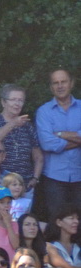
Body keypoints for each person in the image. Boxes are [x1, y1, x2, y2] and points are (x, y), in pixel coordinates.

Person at [34, 67, 81, 223]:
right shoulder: (44, 112)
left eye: (63, 82)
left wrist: (60, 134)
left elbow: (54, 140)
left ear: (71, 83)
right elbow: (47, 143)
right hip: (54, 178)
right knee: (56, 223)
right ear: (51, 87)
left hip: (79, 174)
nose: (60, 86)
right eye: (56, 83)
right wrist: (77, 138)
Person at [0, 81, 40, 189]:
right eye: (13, 100)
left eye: (20, 100)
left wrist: (35, 178)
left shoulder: (28, 126)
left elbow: (38, 156)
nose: (17, 104)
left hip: (23, 185)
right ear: (3, 102)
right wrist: (12, 124)